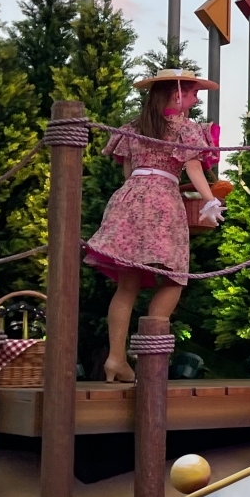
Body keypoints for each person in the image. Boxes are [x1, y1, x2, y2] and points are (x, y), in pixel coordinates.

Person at [83, 69, 222, 383]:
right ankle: (149, 353)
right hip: (162, 204)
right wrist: (209, 200)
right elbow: (193, 168)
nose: (196, 99)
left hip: (128, 199)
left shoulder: (133, 128)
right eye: (192, 93)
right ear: (176, 94)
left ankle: (115, 359)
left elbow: (129, 172)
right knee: (175, 278)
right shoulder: (185, 129)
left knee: (127, 285)